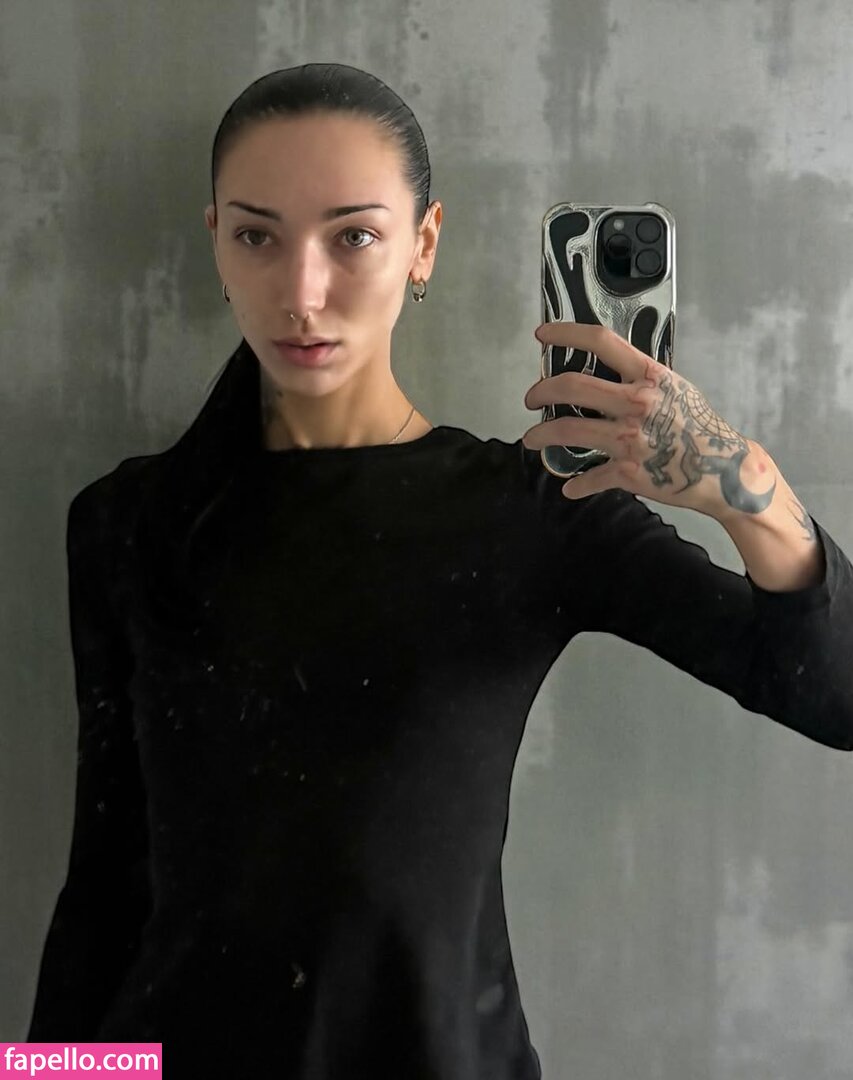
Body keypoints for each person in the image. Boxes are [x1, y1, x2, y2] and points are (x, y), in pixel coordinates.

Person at [25, 62, 853, 1080]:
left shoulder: (528, 511)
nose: (302, 292)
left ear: (423, 244)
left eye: (353, 237)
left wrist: (740, 483)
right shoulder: (127, 522)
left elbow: (836, 696)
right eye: (257, 236)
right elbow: (104, 888)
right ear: (216, 242)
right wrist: (49, 1073)